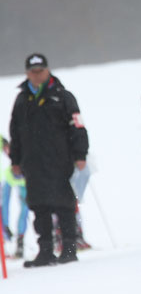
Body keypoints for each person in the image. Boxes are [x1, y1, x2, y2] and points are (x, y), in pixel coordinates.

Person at [9, 53, 89, 267]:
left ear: (47, 70)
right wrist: (15, 160)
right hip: (32, 163)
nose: (37, 76)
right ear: (27, 73)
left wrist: (80, 155)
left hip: (61, 161)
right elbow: (15, 132)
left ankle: (69, 248)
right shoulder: (21, 99)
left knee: (64, 204)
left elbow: (78, 127)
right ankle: (45, 250)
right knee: (39, 206)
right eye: (33, 72)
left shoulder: (63, 96)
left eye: (40, 71)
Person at [2, 137, 29, 258]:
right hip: (10, 176)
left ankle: (18, 240)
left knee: (25, 207)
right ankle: (7, 236)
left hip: (18, 175)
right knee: (6, 206)